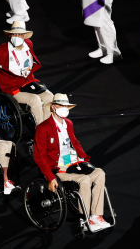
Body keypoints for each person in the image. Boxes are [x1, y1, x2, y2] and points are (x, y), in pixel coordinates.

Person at [34, 93, 110, 232]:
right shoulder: (43, 128)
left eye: (66, 106)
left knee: (99, 173)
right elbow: (39, 156)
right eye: (61, 105)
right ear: (52, 107)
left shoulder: (68, 123)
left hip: (73, 162)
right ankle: (84, 218)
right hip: (57, 167)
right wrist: (50, 177)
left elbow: (74, 142)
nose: (64, 108)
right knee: (85, 180)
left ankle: (96, 215)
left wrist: (84, 159)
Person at [0, 21, 53, 124]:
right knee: (35, 100)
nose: (16, 36)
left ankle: (47, 127)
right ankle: (40, 132)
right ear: (9, 34)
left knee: (49, 96)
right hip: (12, 88)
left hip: (28, 82)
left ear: (25, 36)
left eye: (19, 34)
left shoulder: (28, 44)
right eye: (14, 34)